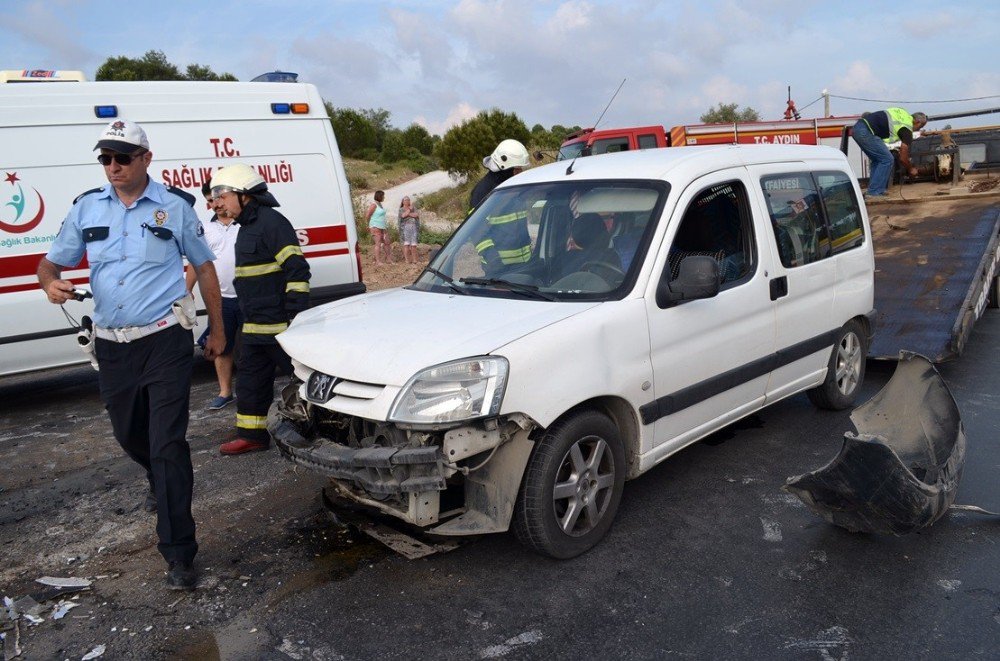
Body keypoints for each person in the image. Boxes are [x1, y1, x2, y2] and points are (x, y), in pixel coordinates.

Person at [37, 119, 226, 591]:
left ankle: (180, 553)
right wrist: (49, 283)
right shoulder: (86, 207)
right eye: (106, 158)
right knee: (129, 436)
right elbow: (50, 262)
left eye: (123, 157)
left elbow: (204, 266)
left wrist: (217, 330)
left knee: (168, 444)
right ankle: (157, 480)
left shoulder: (174, 208)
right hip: (112, 345)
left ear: (146, 158)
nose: (113, 166)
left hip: (164, 340)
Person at [209, 164, 310, 456]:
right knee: (251, 383)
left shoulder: (273, 223)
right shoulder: (246, 228)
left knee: (306, 380)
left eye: (222, 195)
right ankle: (252, 435)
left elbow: (297, 271)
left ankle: (325, 430)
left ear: (244, 195)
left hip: (281, 328)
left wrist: (296, 317)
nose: (217, 203)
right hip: (253, 327)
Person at [186, 181, 242, 410]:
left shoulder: (247, 223)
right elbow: (195, 261)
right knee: (221, 346)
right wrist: (185, 290)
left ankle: (257, 388)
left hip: (250, 298)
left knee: (257, 347)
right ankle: (225, 391)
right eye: (209, 201)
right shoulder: (204, 229)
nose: (214, 205)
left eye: (217, 199)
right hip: (222, 300)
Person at [468, 139, 532, 275]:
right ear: (504, 167)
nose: (519, 173)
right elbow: (477, 231)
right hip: (498, 270)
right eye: (516, 170)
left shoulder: (513, 188)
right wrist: (494, 261)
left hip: (525, 265)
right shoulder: (483, 192)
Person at [851, 108, 928, 198]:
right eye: (920, 127)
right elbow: (903, 158)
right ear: (917, 122)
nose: (918, 129)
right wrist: (911, 169)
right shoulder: (906, 128)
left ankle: (875, 190)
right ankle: (874, 192)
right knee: (887, 159)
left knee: (877, 160)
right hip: (866, 131)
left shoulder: (902, 114)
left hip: (859, 128)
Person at [366, 190, 391, 265]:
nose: (384, 197)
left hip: (382, 226)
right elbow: (367, 215)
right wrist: (368, 225)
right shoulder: (373, 205)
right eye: (383, 196)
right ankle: (378, 261)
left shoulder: (380, 204)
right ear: (379, 196)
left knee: (387, 242)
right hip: (375, 226)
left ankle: (388, 259)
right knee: (378, 243)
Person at [398, 196, 420, 264]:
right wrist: (409, 210)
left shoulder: (414, 208)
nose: (407, 201)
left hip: (414, 227)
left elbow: (416, 215)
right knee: (406, 244)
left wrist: (409, 214)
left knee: (414, 244)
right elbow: (403, 215)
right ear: (403, 201)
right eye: (406, 200)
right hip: (405, 228)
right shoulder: (401, 209)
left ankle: (415, 260)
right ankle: (407, 260)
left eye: (408, 200)